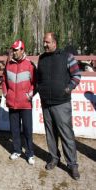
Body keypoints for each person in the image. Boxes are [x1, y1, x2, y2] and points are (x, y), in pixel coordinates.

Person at [37, 32, 81, 180]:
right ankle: (54, 157)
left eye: (47, 42)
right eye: (44, 42)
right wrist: (39, 90)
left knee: (66, 134)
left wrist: (67, 89)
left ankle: (72, 164)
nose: (44, 45)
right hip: (46, 103)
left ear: (54, 42)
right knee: (50, 133)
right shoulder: (41, 59)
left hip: (62, 103)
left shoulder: (67, 57)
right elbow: (38, 78)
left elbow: (77, 76)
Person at [2, 40, 36, 165]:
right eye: (13, 49)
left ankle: (30, 153)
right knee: (14, 129)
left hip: (26, 104)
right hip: (12, 103)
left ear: (22, 50)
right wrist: (6, 94)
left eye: (16, 50)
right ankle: (16, 150)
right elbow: (4, 80)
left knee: (27, 130)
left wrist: (29, 95)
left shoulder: (29, 65)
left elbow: (35, 83)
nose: (14, 52)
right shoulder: (8, 64)